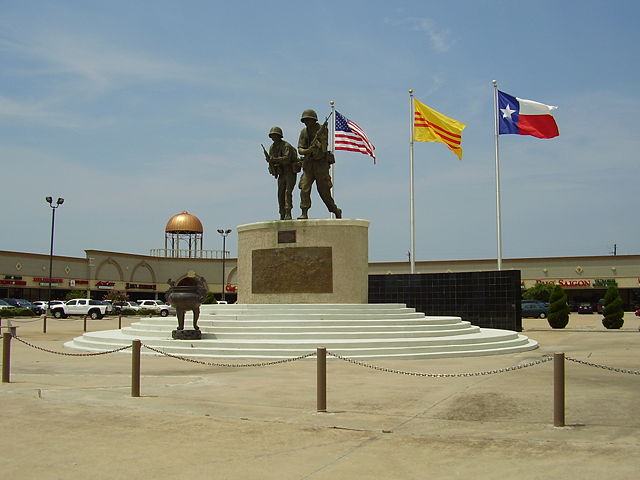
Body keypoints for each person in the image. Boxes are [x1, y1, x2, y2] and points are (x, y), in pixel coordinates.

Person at [297, 109, 342, 219]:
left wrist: (317, 144)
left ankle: (335, 209)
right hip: (308, 165)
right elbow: (300, 149)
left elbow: (323, 147)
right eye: (305, 120)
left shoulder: (322, 130)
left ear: (314, 120)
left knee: (324, 191)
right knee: (304, 188)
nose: (307, 122)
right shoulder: (304, 132)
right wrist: (308, 150)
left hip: (320, 164)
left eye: (309, 120)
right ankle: (304, 211)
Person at [265, 126, 299, 220]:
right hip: (281, 173)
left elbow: (286, 159)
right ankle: (282, 213)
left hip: (290, 172)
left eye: (275, 135)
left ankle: (288, 212)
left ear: (279, 136)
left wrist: (274, 160)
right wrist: (271, 164)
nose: (273, 137)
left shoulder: (286, 146)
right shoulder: (272, 147)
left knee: (288, 192)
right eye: (272, 136)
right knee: (280, 194)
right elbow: (272, 161)